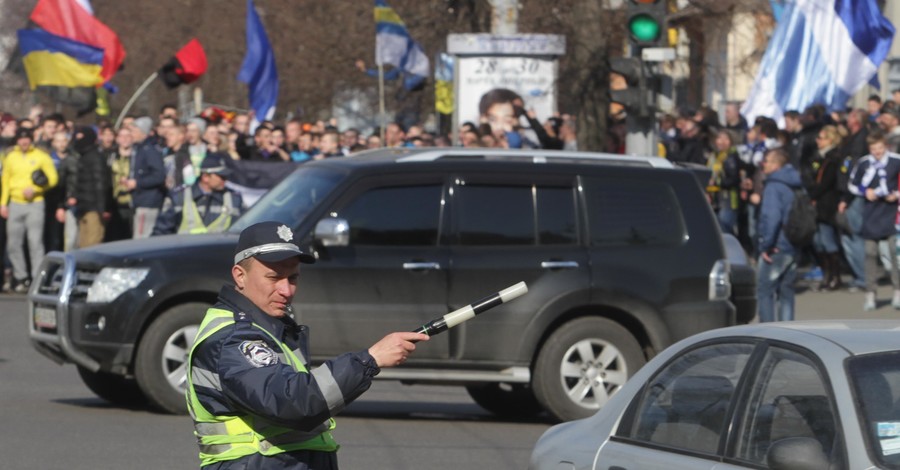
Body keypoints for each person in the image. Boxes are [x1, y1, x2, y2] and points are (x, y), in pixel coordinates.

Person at [185, 221, 429, 468]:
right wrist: (370, 360)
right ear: (240, 275)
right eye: (274, 277)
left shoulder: (268, 328)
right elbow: (294, 403)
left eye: (293, 278)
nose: (287, 290)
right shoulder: (234, 338)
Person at [0, 126, 59, 292]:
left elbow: (53, 178)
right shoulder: (11, 157)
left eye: (27, 139)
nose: (24, 141)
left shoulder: (41, 156)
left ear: (31, 140)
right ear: (17, 140)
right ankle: (21, 276)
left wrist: (36, 189)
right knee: (13, 244)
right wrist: (3, 203)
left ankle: (37, 277)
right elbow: (6, 180)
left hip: (35, 203)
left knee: (35, 242)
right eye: (21, 138)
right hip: (16, 203)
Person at [848, 131, 900, 311]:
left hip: (891, 211)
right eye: (873, 149)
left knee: (894, 253)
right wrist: (865, 192)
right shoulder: (864, 163)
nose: (877, 152)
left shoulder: (896, 160)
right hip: (871, 212)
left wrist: (896, 195)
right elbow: (852, 183)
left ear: (885, 146)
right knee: (870, 253)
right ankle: (871, 293)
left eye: (879, 148)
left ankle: (897, 291)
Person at [756, 147, 802, 322]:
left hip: (778, 245)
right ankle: (788, 332)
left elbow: (772, 218)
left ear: (775, 164)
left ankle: (768, 332)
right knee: (787, 292)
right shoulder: (795, 182)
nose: (763, 165)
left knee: (765, 291)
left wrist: (765, 246)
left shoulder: (774, 186)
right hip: (794, 242)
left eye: (766, 161)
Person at [152, 153, 243, 235]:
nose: (225, 180)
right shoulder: (179, 197)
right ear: (205, 177)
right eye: (221, 176)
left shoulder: (234, 198)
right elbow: (161, 231)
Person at [70, 127, 112, 248]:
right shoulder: (84, 157)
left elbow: (100, 184)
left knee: (92, 244)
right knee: (82, 244)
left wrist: (102, 209)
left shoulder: (95, 158)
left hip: (94, 209)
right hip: (84, 207)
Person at [126, 117, 167, 238]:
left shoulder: (149, 150)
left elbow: (159, 175)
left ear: (142, 132)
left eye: (134, 131)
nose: (131, 134)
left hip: (148, 202)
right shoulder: (139, 148)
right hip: (141, 201)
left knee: (142, 238)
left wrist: (137, 183)